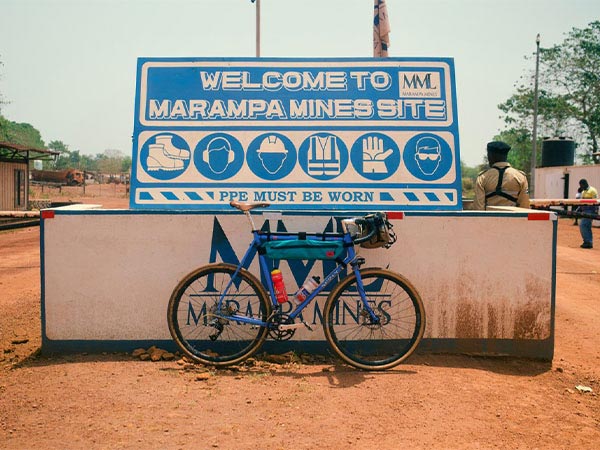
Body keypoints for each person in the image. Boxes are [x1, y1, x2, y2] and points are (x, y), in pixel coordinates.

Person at [473, 141, 530, 210]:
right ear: (506, 156)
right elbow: (524, 207)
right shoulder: (520, 177)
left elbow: (479, 208)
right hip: (514, 220)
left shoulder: (482, 178)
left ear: (491, 156)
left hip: (489, 219)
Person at [577, 178, 598, 249]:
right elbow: (582, 202)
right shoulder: (583, 192)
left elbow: (596, 202)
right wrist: (578, 209)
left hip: (590, 212)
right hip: (584, 211)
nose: (581, 187)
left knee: (583, 225)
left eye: (581, 185)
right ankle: (588, 242)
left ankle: (587, 241)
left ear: (585, 184)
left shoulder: (593, 190)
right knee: (587, 226)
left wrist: (595, 212)